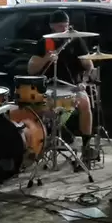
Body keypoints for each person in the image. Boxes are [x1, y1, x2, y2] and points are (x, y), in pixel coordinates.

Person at [27, 10, 96, 163]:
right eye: (59, 26)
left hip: (72, 86)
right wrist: (46, 58)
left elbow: (89, 65)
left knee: (85, 103)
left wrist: (84, 82)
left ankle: (86, 146)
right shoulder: (45, 42)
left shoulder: (75, 41)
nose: (63, 29)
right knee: (39, 107)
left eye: (65, 26)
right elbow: (31, 69)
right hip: (49, 86)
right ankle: (49, 137)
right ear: (52, 26)